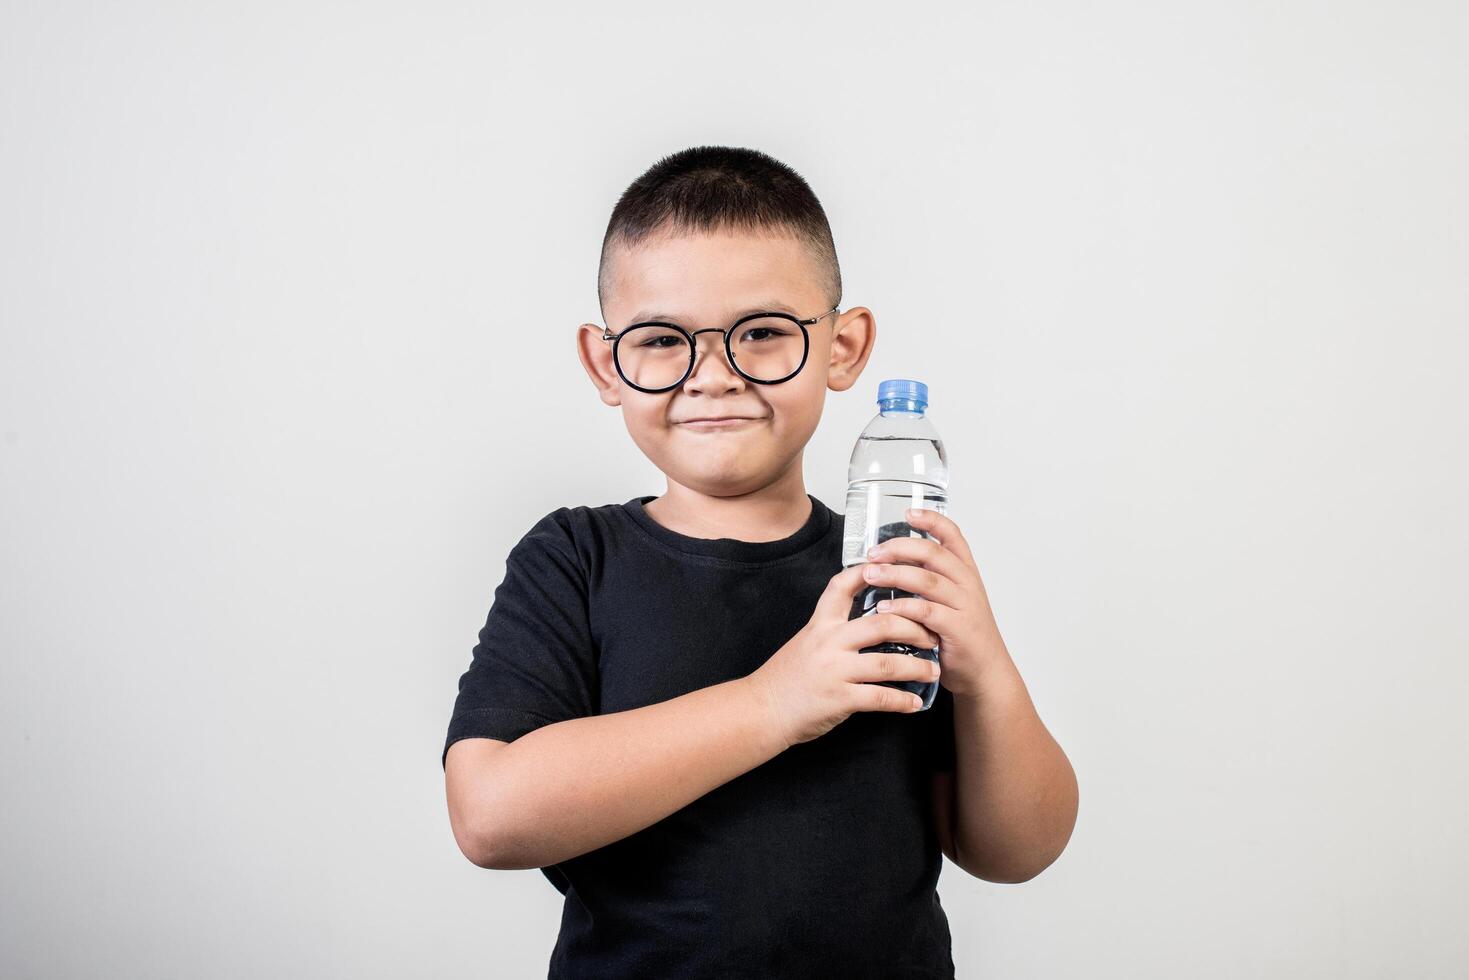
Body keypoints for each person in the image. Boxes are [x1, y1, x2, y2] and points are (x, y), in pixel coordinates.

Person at [441, 145, 1079, 978]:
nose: (712, 377)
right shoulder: (574, 559)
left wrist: (988, 675)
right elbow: (489, 818)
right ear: (606, 363)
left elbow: (1014, 850)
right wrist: (775, 702)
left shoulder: (889, 568)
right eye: (663, 339)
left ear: (844, 348)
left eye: (764, 333)